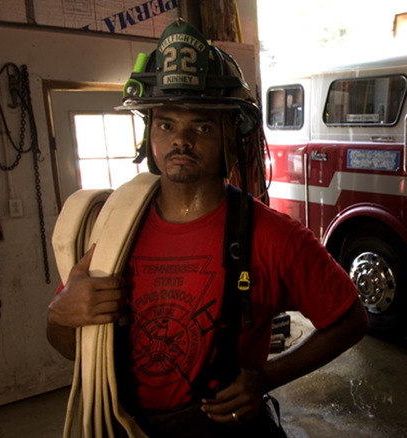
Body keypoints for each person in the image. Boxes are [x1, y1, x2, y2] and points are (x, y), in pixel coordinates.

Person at [46, 19, 367, 437]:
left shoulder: (272, 237)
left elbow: (351, 319)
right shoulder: (111, 229)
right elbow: (71, 346)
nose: (181, 140)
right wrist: (60, 315)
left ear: (229, 137)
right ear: (149, 135)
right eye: (166, 125)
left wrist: (264, 378)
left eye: (201, 126)